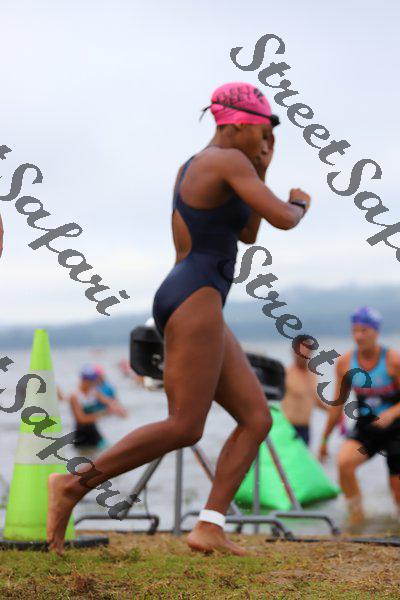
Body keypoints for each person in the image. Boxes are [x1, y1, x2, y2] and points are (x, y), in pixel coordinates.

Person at [47, 81, 310, 555]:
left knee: (255, 418)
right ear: (236, 125)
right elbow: (283, 219)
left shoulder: (213, 164)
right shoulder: (225, 159)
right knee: (185, 425)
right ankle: (71, 485)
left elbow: (248, 233)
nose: (268, 139)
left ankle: (209, 525)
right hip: (196, 298)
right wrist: (300, 202)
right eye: (264, 130)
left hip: (198, 298)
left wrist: (263, 165)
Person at [319, 307, 400, 525]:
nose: (359, 336)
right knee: (344, 462)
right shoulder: (345, 363)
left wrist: (392, 412)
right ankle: (356, 520)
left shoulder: (393, 361)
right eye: (355, 330)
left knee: (397, 492)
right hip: (368, 429)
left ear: (376, 332)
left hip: (396, 430)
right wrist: (324, 439)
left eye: (364, 330)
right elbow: (337, 405)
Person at [281, 335, 328, 445]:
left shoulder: (312, 375)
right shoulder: (286, 374)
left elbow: (315, 400)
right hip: (288, 428)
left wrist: (332, 412)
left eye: (307, 349)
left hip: (305, 429)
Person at [70, 366, 126, 450]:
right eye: (91, 381)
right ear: (84, 380)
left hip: (93, 430)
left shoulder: (94, 392)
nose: (93, 383)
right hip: (80, 432)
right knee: (82, 454)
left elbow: (109, 402)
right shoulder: (75, 396)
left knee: (104, 450)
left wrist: (118, 410)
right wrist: (103, 413)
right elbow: (81, 419)